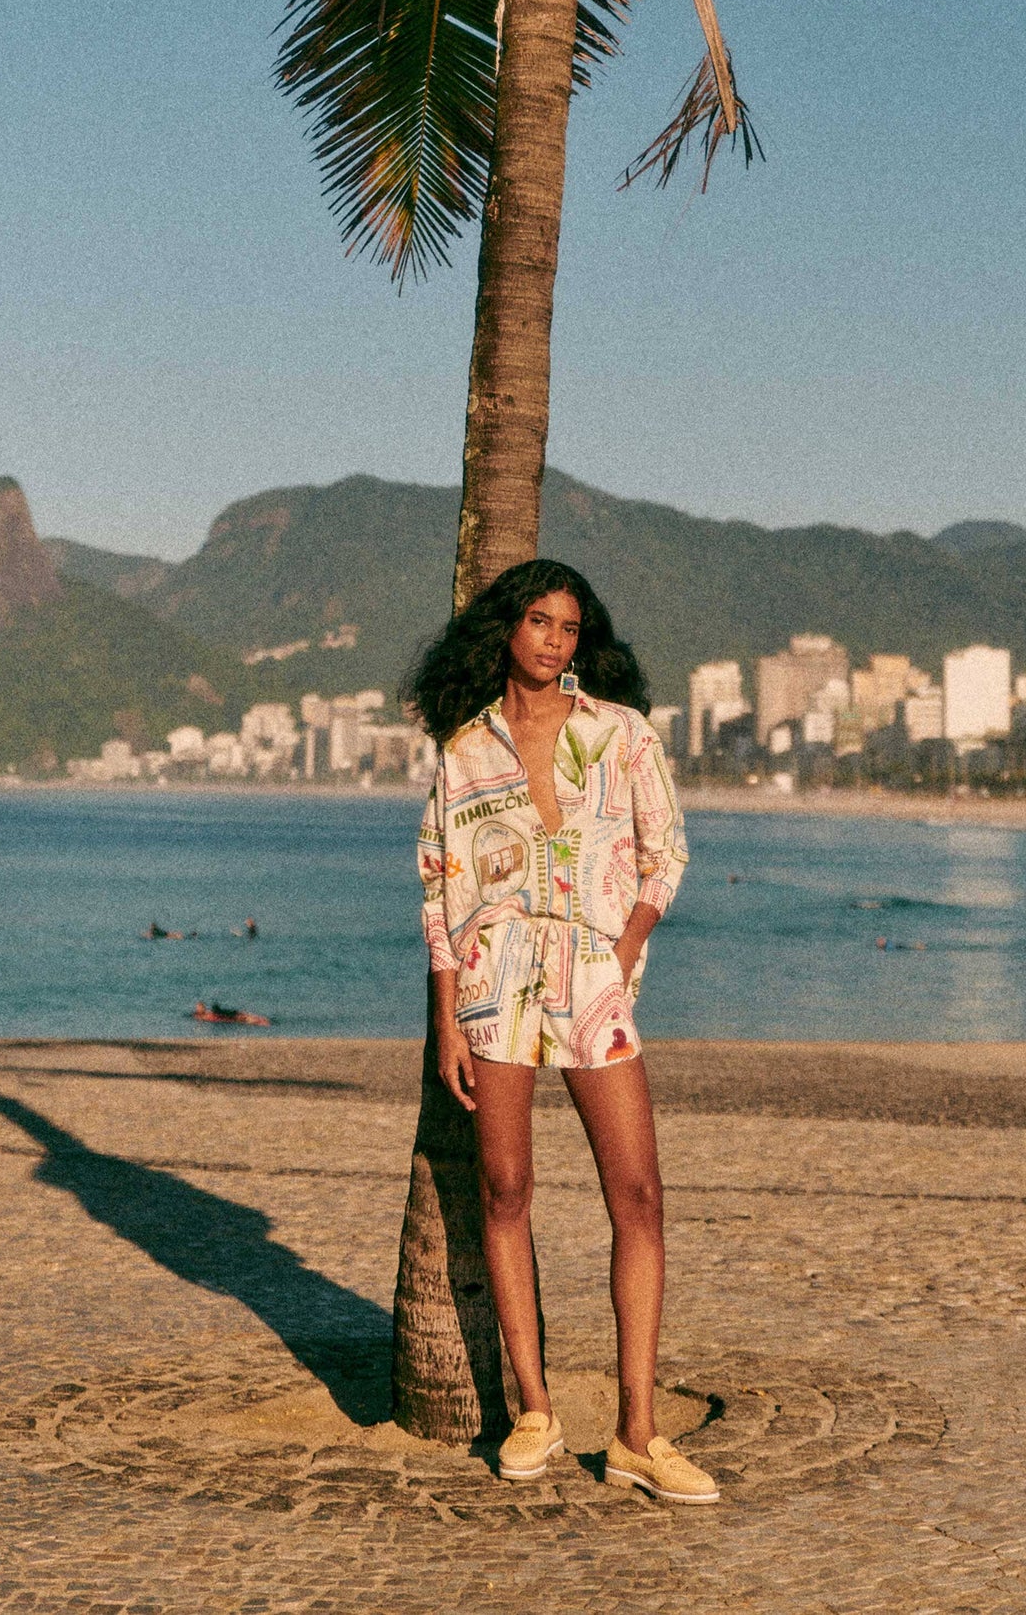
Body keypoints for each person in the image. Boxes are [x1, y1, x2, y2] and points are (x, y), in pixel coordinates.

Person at [410, 559, 718, 1504]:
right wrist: (447, 1022)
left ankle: (636, 1433)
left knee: (639, 1194)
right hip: (494, 981)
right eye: (538, 621)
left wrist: (622, 949)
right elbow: (441, 888)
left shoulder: (619, 732)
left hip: (592, 978)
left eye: (568, 626)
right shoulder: (466, 749)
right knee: (505, 1190)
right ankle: (534, 1410)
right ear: (507, 629)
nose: (552, 639)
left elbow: (666, 853)